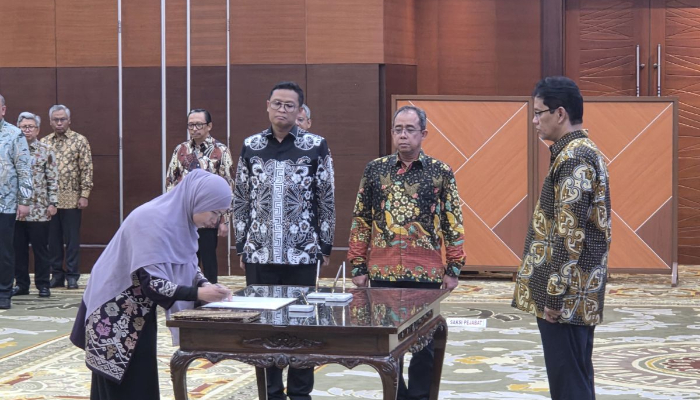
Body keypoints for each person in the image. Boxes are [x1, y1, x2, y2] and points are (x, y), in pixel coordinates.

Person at [69, 169, 233, 400]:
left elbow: (186, 265)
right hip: (112, 309)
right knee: (122, 384)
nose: (216, 221)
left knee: (141, 380)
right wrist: (199, 293)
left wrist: (206, 285)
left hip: (140, 311)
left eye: (222, 215)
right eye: (215, 212)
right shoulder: (150, 220)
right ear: (199, 200)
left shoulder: (182, 224)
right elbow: (153, 284)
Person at [347, 105, 465, 400]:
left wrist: (454, 267)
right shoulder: (375, 170)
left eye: (410, 129)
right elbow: (361, 219)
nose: (403, 135)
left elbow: (452, 221)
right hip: (383, 272)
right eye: (398, 129)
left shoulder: (440, 172)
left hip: (425, 274)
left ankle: (420, 397)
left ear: (423, 134)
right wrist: (358, 265)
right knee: (389, 346)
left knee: (424, 346)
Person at [233, 81, 336, 400]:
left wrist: (325, 245)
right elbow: (241, 197)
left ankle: (300, 392)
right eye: (277, 103)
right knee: (263, 325)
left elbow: (326, 198)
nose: (282, 109)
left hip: (302, 252)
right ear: (267, 106)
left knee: (303, 324)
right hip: (259, 252)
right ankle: (270, 392)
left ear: (299, 110)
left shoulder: (316, 146)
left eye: (289, 105)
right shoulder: (251, 145)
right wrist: (241, 244)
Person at [512, 76, 612, 400]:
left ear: (559, 113)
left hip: (566, 297)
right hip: (577, 292)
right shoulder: (581, 151)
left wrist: (553, 297)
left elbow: (570, 234)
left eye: (538, 112)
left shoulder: (574, 157)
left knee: (569, 384)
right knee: (576, 378)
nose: (534, 120)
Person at [166, 109, 234, 284]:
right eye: (190, 125)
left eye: (198, 125)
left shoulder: (221, 150)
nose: (194, 129)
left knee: (208, 258)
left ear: (209, 126)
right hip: (184, 215)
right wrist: (170, 213)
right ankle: (188, 292)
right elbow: (171, 181)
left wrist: (225, 220)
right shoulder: (181, 149)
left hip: (209, 215)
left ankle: (211, 292)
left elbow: (228, 185)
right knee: (186, 258)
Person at [42, 104, 93, 290]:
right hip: (50, 200)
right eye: (55, 119)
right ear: (50, 122)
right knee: (53, 240)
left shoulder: (80, 140)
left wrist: (84, 194)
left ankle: (72, 275)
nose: (59, 123)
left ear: (69, 120)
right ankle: (56, 274)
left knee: (72, 240)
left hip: (72, 198)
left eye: (62, 119)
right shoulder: (44, 142)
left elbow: (86, 169)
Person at [13, 112, 58, 298]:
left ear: (38, 130)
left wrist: (53, 202)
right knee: (18, 250)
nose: (27, 130)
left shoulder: (46, 150)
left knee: (41, 250)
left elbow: (52, 178)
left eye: (30, 126)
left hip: (39, 209)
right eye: (23, 127)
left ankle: (43, 285)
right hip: (15, 209)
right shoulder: (12, 148)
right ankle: (21, 284)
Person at [0, 94, 33, 310]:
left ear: (3, 110)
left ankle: (4, 292)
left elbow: (24, 169)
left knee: (4, 250)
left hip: (6, 203)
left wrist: (24, 200)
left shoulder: (15, 134)